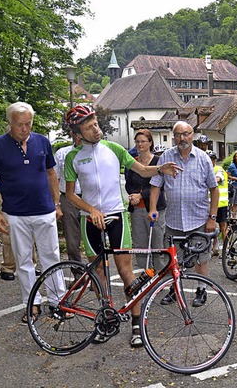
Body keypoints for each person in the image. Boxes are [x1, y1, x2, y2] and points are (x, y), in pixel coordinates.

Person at [64, 105, 181, 347]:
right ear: (78, 133)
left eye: (96, 124)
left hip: (116, 216)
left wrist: (160, 169)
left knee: (126, 271)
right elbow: (70, 195)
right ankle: (104, 317)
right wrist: (92, 210)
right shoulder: (72, 158)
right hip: (91, 220)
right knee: (98, 274)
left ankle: (137, 324)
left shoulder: (113, 149)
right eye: (89, 127)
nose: (96, 130)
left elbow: (141, 169)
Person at [0, 102, 63, 323]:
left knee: (52, 257)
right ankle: (32, 303)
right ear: (9, 123)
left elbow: (51, 173)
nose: (25, 128)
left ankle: (57, 301)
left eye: (28, 123)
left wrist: (57, 204)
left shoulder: (42, 141)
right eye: (20, 124)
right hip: (15, 213)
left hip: (44, 210)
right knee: (23, 261)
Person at [149, 121, 218, 304]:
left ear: (192, 135)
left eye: (186, 134)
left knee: (201, 258)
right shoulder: (166, 157)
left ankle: (201, 290)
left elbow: (214, 189)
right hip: (174, 220)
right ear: (174, 137)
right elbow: (156, 185)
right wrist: (153, 208)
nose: (182, 138)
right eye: (178, 135)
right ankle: (174, 289)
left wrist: (212, 218)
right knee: (175, 259)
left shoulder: (203, 158)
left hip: (198, 219)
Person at [124, 129, 167, 272]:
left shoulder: (158, 162)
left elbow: (161, 185)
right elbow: (128, 183)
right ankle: (144, 274)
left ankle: (161, 276)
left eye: (143, 141)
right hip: (137, 209)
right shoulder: (133, 162)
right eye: (137, 141)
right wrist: (133, 195)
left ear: (150, 143)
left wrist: (141, 195)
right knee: (140, 244)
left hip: (155, 209)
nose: (140, 144)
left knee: (157, 243)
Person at [54, 132, 84, 276]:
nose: (79, 135)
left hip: (90, 198)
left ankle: (98, 276)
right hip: (68, 198)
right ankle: (78, 274)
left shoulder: (98, 153)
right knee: (72, 242)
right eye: (76, 132)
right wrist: (56, 204)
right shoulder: (62, 153)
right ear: (72, 133)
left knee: (96, 241)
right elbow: (54, 178)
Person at [208, 150, 229, 256]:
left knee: (222, 226)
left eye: (211, 159)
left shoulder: (219, 169)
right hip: (209, 203)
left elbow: (217, 179)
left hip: (221, 203)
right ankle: (214, 248)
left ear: (215, 160)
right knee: (210, 227)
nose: (209, 161)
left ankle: (226, 249)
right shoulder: (205, 170)